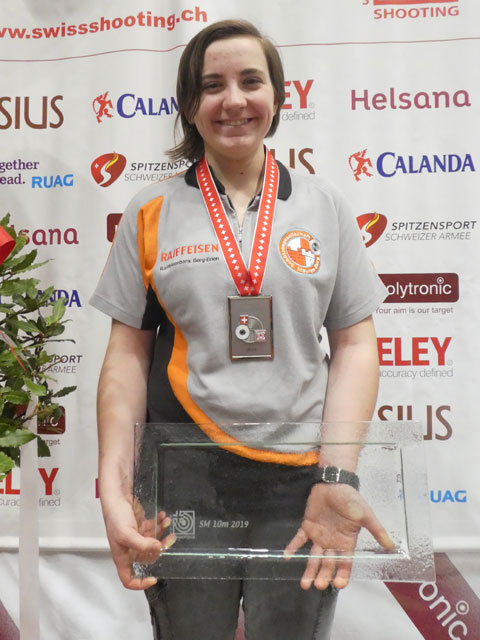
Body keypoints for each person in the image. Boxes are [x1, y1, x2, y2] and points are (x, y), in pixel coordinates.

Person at [91, 19, 394, 640]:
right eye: (212, 86)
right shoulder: (149, 211)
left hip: (301, 481)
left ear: (278, 96)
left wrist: (338, 475)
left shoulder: (325, 205)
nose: (233, 100)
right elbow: (126, 359)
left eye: (251, 81)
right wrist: (115, 490)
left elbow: (356, 346)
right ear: (189, 105)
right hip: (183, 473)